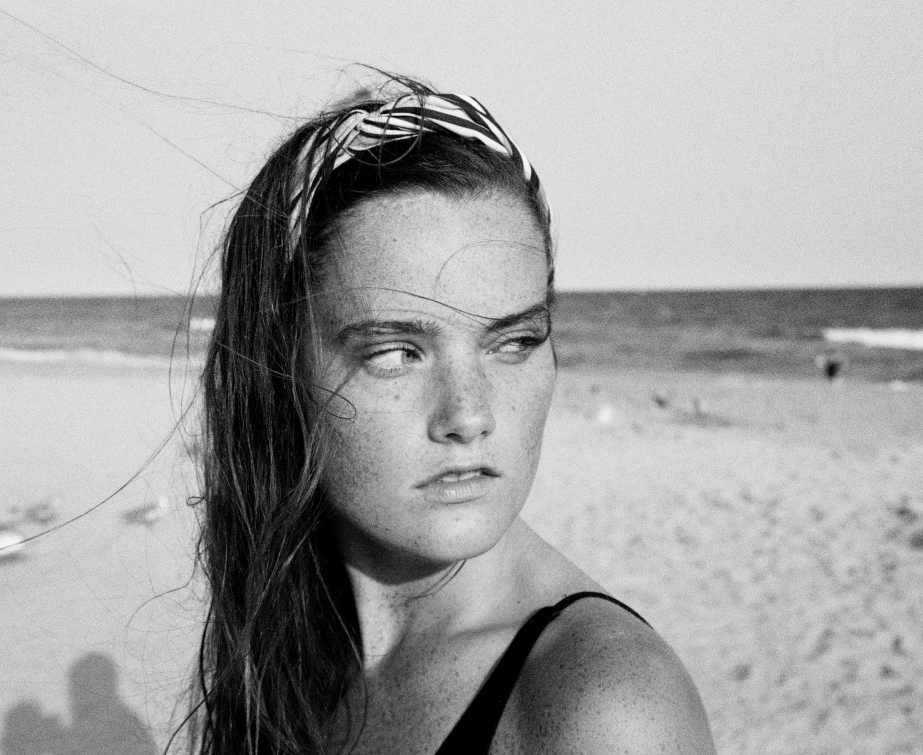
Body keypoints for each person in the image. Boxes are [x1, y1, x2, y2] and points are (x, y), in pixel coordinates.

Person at [189, 77, 715, 754]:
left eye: (514, 342)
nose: (469, 416)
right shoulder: (282, 644)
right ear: (280, 370)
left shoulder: (601, 708)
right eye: (396, 352)